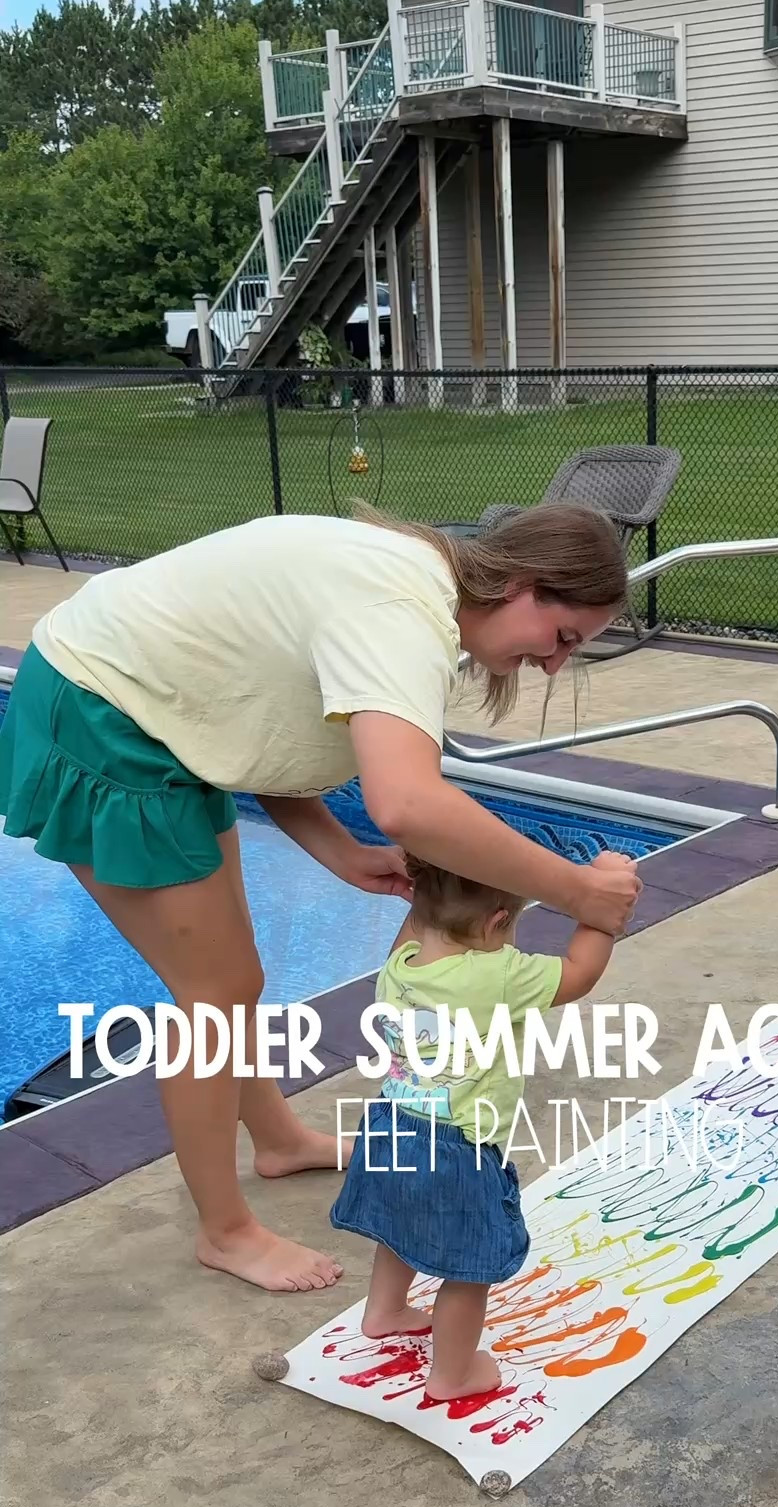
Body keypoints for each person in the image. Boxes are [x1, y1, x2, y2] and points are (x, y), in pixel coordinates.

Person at [0, 505, 642, 1294]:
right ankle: (225, 1231)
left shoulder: (416, 585)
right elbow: (407, 804)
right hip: (107, 712)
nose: (552, 665)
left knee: (234, 981)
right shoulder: (401, 614)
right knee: (215, 993)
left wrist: (337, 852)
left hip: (154, 711)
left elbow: (263, 709)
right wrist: (579, 890)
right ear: (521, 586)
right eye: (564, 638)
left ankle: (277, 1140)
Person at [330, 849, 624, 1403]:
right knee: (469, 1266)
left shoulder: (401, 964)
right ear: (497, 921)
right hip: (457, 1148)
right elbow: (580, 973)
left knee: (398, 1226)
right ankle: (452, 1375)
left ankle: (385, 1311)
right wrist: (602, 905)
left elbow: (420, 920)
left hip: (389, 1124)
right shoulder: (499, 975)